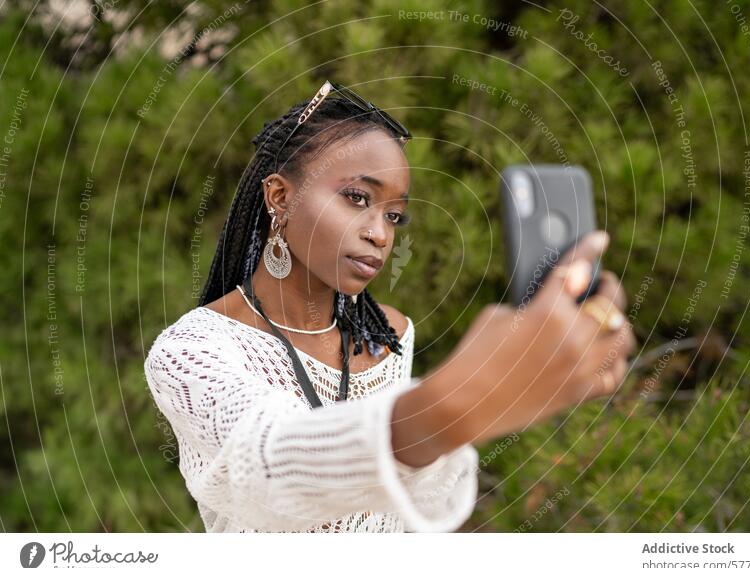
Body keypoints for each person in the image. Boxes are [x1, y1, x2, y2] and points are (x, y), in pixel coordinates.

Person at [143, 80, 635, 533]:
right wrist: (461, 396)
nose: (380, 234)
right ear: (279, 196)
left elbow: (408, 503)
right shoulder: (192, 350)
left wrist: (505, 398)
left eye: (395, 215)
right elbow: (270, 467)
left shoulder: (390, 336)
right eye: (357, 198)